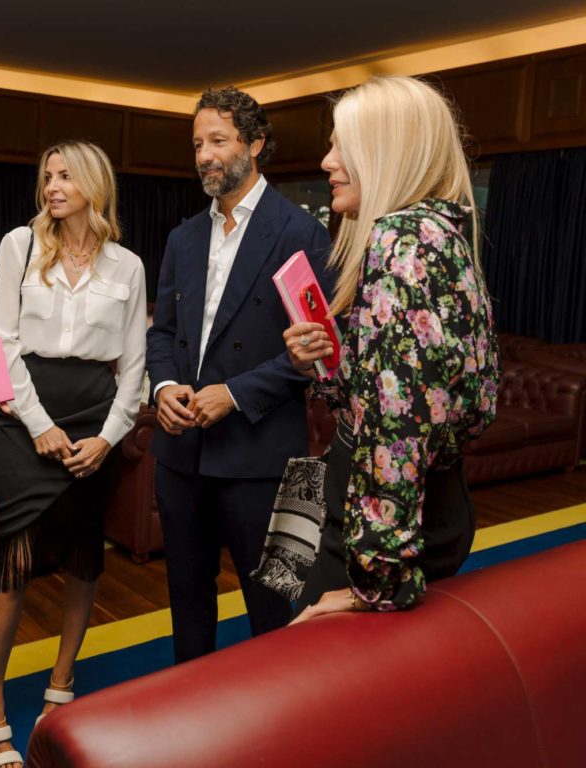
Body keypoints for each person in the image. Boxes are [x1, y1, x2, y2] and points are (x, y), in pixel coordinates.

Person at [285, 76, 499, 620]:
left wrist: (372, 582)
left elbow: (398, 426)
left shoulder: (401, 240)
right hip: (419, 505)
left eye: (342, 145)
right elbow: (450, 398)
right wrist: (327, 365)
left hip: (378, 530)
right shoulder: (442, 232)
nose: (327, 160)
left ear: (384, 151)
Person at [0, 141, 147, 768]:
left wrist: (109, 436)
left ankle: (62, 683)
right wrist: (40, 424)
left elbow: (134, 366)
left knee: (83, 555)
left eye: (65, 176)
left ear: (94, 184)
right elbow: (4, 344)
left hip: (97, 416)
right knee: (12, 560)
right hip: (27, 416)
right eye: (47, 176)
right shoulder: (18, 246)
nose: (52, 186)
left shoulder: (126, 265)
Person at [145, 86, 333, 663]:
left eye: (218, 141)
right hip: (182, 455)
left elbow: (319, 351)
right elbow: (162, 333)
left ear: (255, 144)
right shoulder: (184, 238)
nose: (204, 154)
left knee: (276, 609)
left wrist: (233, 394)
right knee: (188, 607)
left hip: (262, 459)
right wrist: (164, 386)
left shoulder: (302, 232)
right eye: (198, 143)